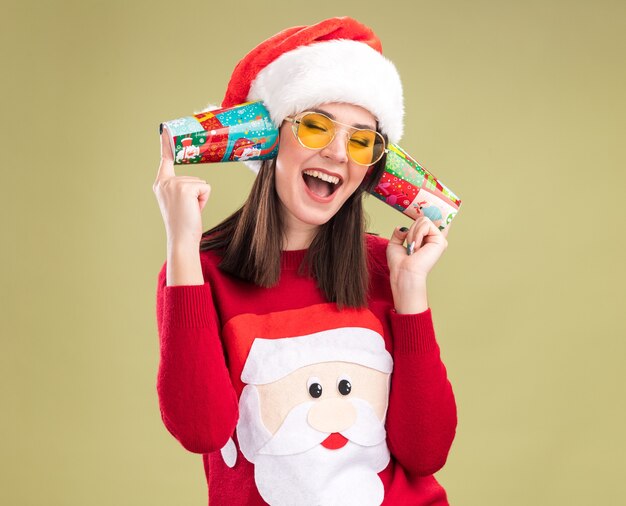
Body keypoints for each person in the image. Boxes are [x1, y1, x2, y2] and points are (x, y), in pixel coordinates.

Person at [153, 17, 457, 506]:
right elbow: (200, 430)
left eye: (361, 140)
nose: (338, 152)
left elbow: (425, 453)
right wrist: (182, 244)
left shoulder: (387, 266)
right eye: (316, 126)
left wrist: (411, 293)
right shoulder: (197, 274)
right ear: (273, 138)